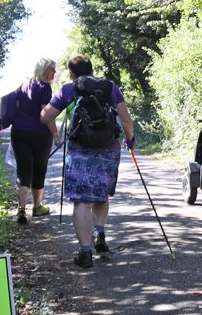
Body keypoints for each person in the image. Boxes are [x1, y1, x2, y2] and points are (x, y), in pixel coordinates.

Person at [41, 55, 135, 269]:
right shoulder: (109, 87)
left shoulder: (68, 90)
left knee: (81, 200)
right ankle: (99, 233)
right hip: (108, 146)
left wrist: (58, 128)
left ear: (72, 73)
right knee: (101, 191)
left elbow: (45, 117)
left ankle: (85, 252)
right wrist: (130, 140)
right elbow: (125, 118)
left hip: (79, 148)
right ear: (92, 69)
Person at [0, 58, 60, 224]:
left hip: (19, 132)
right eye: (51, 69)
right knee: (39, 169)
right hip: (40, 135)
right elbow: (46, 114)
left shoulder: (23, 85)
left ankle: (21, 209)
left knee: (23, 170)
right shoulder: (44, 87)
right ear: (43, 70)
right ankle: (37, 207)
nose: (54, 72)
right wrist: (56, 135)